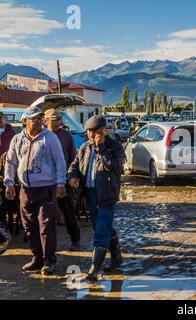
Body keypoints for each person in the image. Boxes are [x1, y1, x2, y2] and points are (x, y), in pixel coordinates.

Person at [4, 106, 67, 275]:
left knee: (46, 226)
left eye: (40, 118)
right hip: (25, 189)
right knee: (29, 226)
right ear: (25, 121)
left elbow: (60, 161)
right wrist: (9, 183)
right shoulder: (17, 139)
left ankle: (49, 261)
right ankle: (37, 258)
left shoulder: (50, 138)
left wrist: (61, 184)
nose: (39, 121)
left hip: (46, 188)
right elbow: (10, 162)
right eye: (34, 119)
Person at [68, 116, 124, 282]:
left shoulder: (115, 146)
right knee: (101, 226)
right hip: (90, 194)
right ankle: (117, 257)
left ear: (103, 131)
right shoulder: (85, 147)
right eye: (89, 132)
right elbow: (74, 165)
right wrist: (72, 176)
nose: (90, 136)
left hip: (107, 195)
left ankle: (94, 268)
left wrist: (102, 148)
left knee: (100, 231)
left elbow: (114, 166)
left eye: (94, 133)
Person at [44, 109, 81, 251]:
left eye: (59, 119)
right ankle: (46, 245)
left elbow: (73, 158)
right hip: (45, 180)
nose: (57, 122)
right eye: (54, 120)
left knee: (68, 211)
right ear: (46, 120)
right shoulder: (42, 136)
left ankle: (75, 239)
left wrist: (71, 177)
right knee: (46, 214)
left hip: (62, 179)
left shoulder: (66, 136)